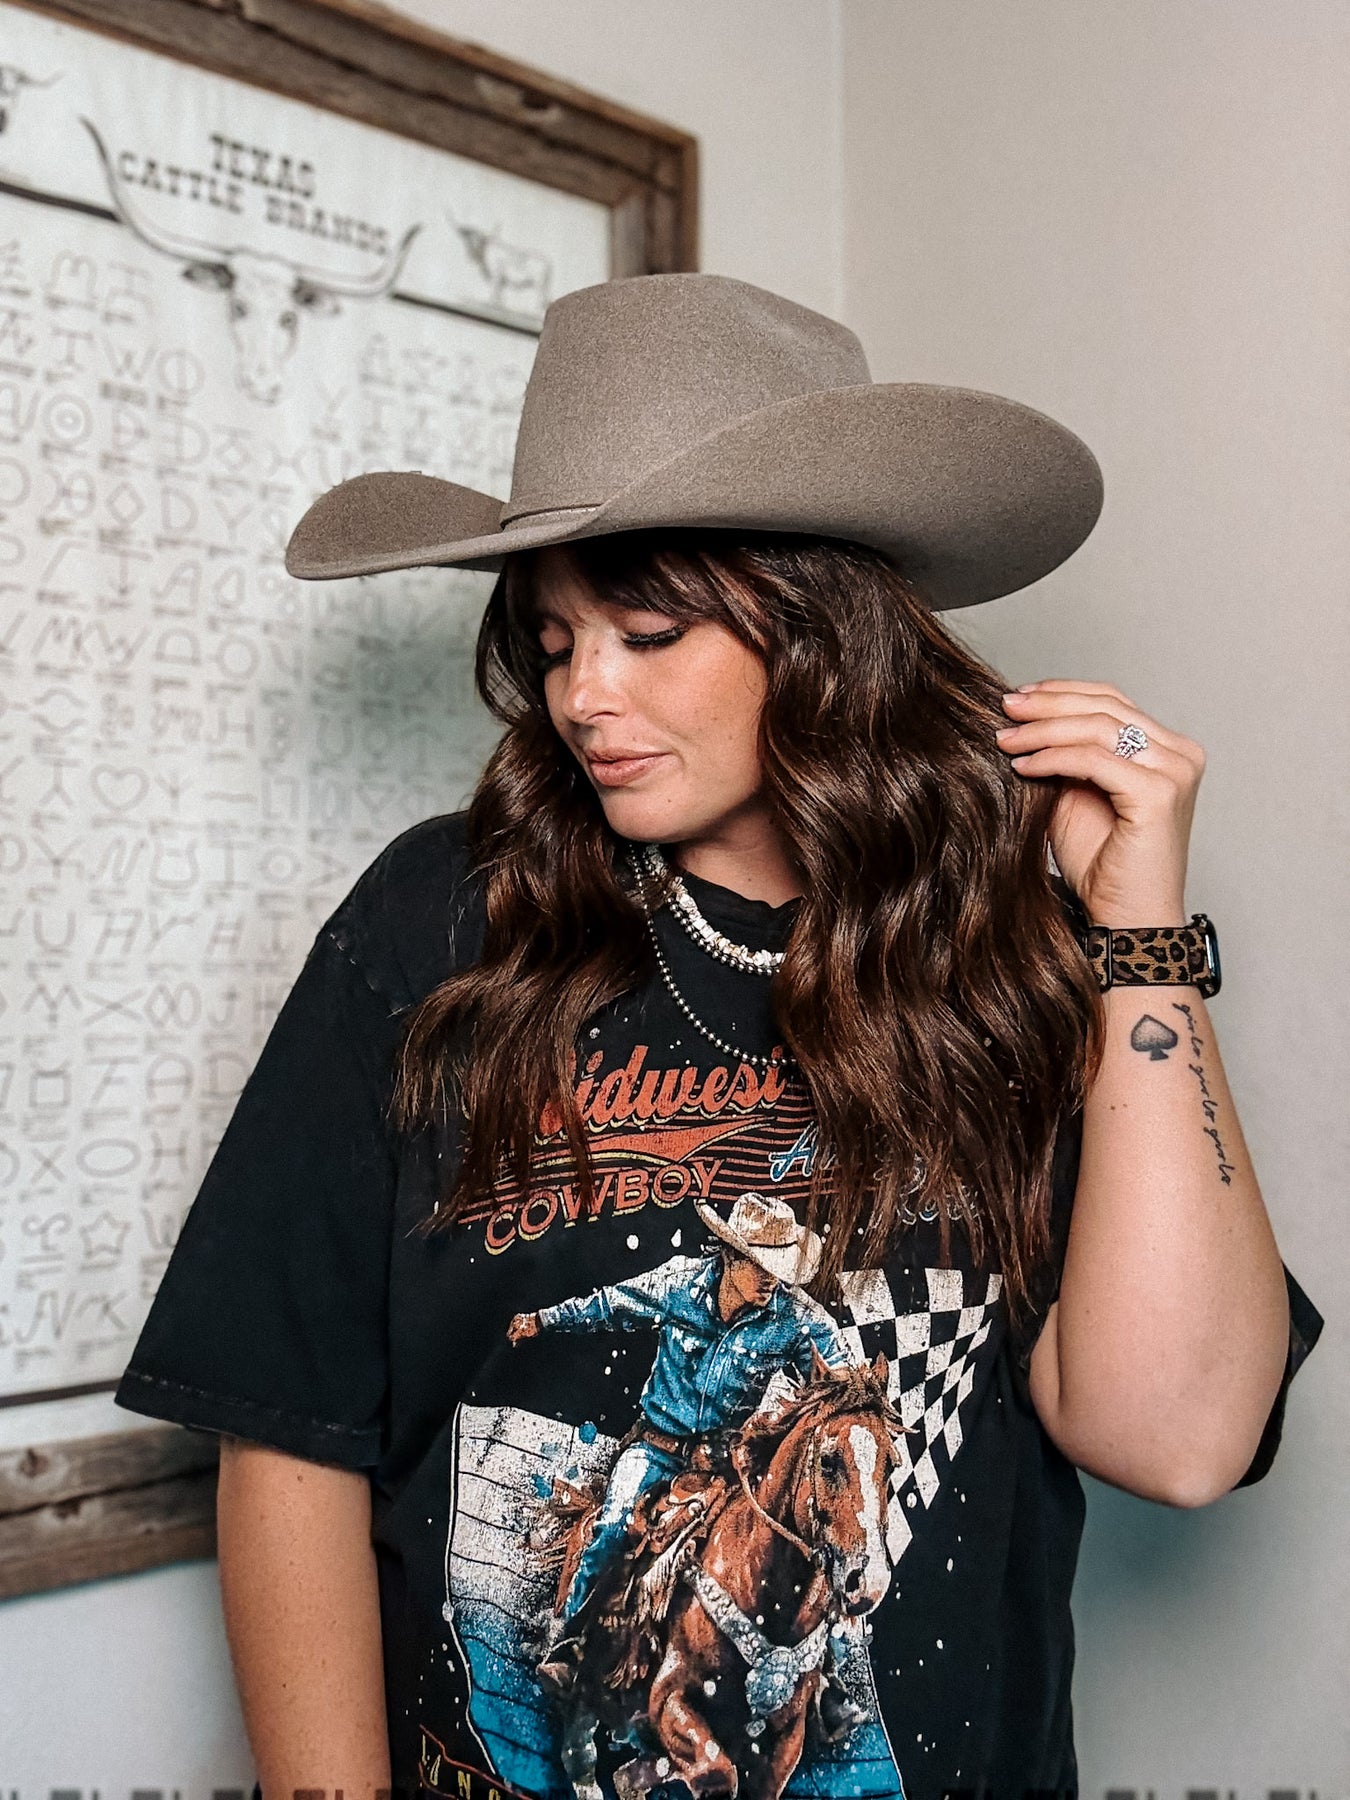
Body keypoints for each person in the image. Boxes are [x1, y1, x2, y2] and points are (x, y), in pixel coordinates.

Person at [112, 273, 1322, 1800]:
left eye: (646, 630)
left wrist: (1134, 937)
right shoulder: (444, 924)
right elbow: (288, 1444)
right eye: (554, 639)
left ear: (818, 630)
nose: (581, 697)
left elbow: (1179, 1439)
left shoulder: (1002, 960)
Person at [506, 1191, 851, 1678]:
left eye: (780, 1270)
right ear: (731, 1256)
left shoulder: (795, 1319)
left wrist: (858, 1398)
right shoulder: (678, 1285)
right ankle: (567, 1642)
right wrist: (544, 1320)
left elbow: (840, 1372)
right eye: (761, 1267)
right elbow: (609, 1304)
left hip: (731, 1465)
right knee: (614, 1527)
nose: (772, 1280)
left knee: (791, 1543)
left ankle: (823, 1676)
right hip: (656, 1450)